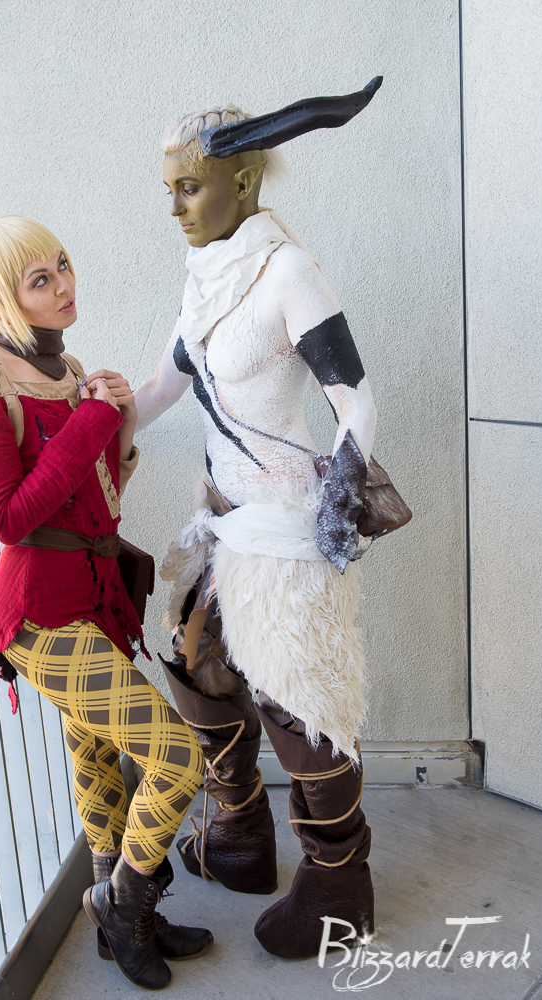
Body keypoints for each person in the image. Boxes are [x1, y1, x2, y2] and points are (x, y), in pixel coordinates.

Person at [134, 83, 383, 959]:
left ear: (241, 183)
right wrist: (86, 427)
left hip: (281, 528)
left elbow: (356, 402)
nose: (175, 207)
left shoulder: (287, 273)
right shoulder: (206, 279)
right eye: (169, 189)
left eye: (189, 187)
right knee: (198, 668)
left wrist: (339, 502)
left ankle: (340, 885)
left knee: (299, 708)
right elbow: (162, 389)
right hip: (220, 521)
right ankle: (239, 837)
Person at [0, 215, 210, 991]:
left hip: (92, 596)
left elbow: (97, 498)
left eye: (62, 265)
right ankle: (120, 904)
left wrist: (120, 422)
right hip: (39, 616)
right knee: (176, 755)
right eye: (40, 279)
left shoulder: (66, 367)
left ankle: (123, 924)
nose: (64, 285)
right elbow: (9, 518)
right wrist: (93, 418)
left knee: (95, 756)